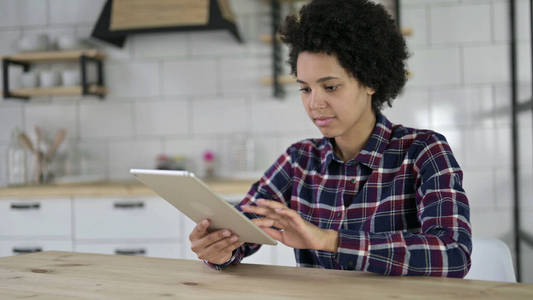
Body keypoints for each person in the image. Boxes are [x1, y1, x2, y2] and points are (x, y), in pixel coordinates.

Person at [189, 0, 472, 277]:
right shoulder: (299, 160)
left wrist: (329, 240)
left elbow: (453, 254)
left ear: (370, 81)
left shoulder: (424, 151)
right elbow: (243, 227)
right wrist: (220, 249)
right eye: (305, 89)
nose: (315, 103)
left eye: (331, 87)